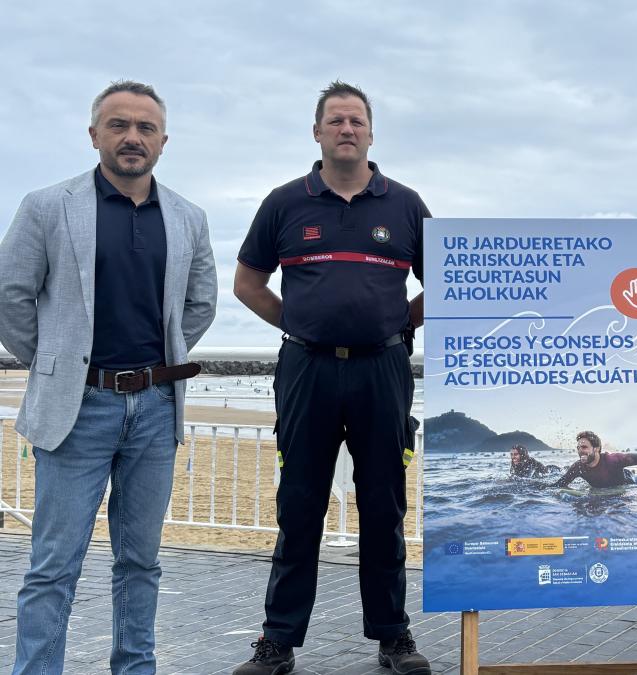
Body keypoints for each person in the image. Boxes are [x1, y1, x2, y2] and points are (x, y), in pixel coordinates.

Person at [0, 80, 217, 675]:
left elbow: (199, 305)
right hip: (77, 408)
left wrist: (155, 366)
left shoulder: (189, 218)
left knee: (141, 564)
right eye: (118, 125)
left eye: (145, 128)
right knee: (53, 566)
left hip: (154, 411)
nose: (132, 137)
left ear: (163, 141)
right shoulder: (48, 206)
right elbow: (10, 297)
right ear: (94, 134)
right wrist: (57, 363)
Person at [231, 81, 430, 675]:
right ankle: (277, 641)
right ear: (317, 132)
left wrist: (397, 324)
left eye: (356, 121)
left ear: (371, 133)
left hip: (383, 371)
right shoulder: (285, 202)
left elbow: (445, 285)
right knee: (299, 506)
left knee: (384, 506)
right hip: (306, 370)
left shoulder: (406, 204)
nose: (347, 129)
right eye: (335, 120)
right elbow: (247, 283)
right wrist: (299, 324)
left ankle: (393, 637)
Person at [552, 431, 637, 489]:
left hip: (632, 482)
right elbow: (559, 484)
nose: (580, 450)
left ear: (596, 448)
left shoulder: (613, 460)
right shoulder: (578, 467)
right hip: (611, 486)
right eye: (578, 447)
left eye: (584, 447)